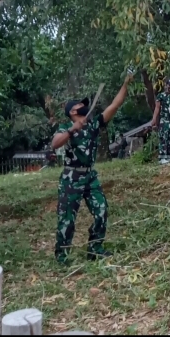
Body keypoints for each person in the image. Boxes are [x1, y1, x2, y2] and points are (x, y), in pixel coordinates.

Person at [51, 72, 134, 264]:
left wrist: (125, 84)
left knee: (101, 210)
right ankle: (62, 256)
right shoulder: (65, 126)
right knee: (67, 219)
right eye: (80, 104)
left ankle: (95, 249)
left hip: (90, 177)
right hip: (71, 177)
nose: (84, 105)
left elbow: (115, 105)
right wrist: (73, 130)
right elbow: (55, 144)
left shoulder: (94, 124)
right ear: (73, 112)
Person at [152, 79, 170, 164]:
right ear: (166, 85)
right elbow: (157, 108)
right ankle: (162, 157)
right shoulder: (161, 95)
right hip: (164, 120)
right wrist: (154, 119)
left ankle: (169, 155)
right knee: (163, 137)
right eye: (169, 85)